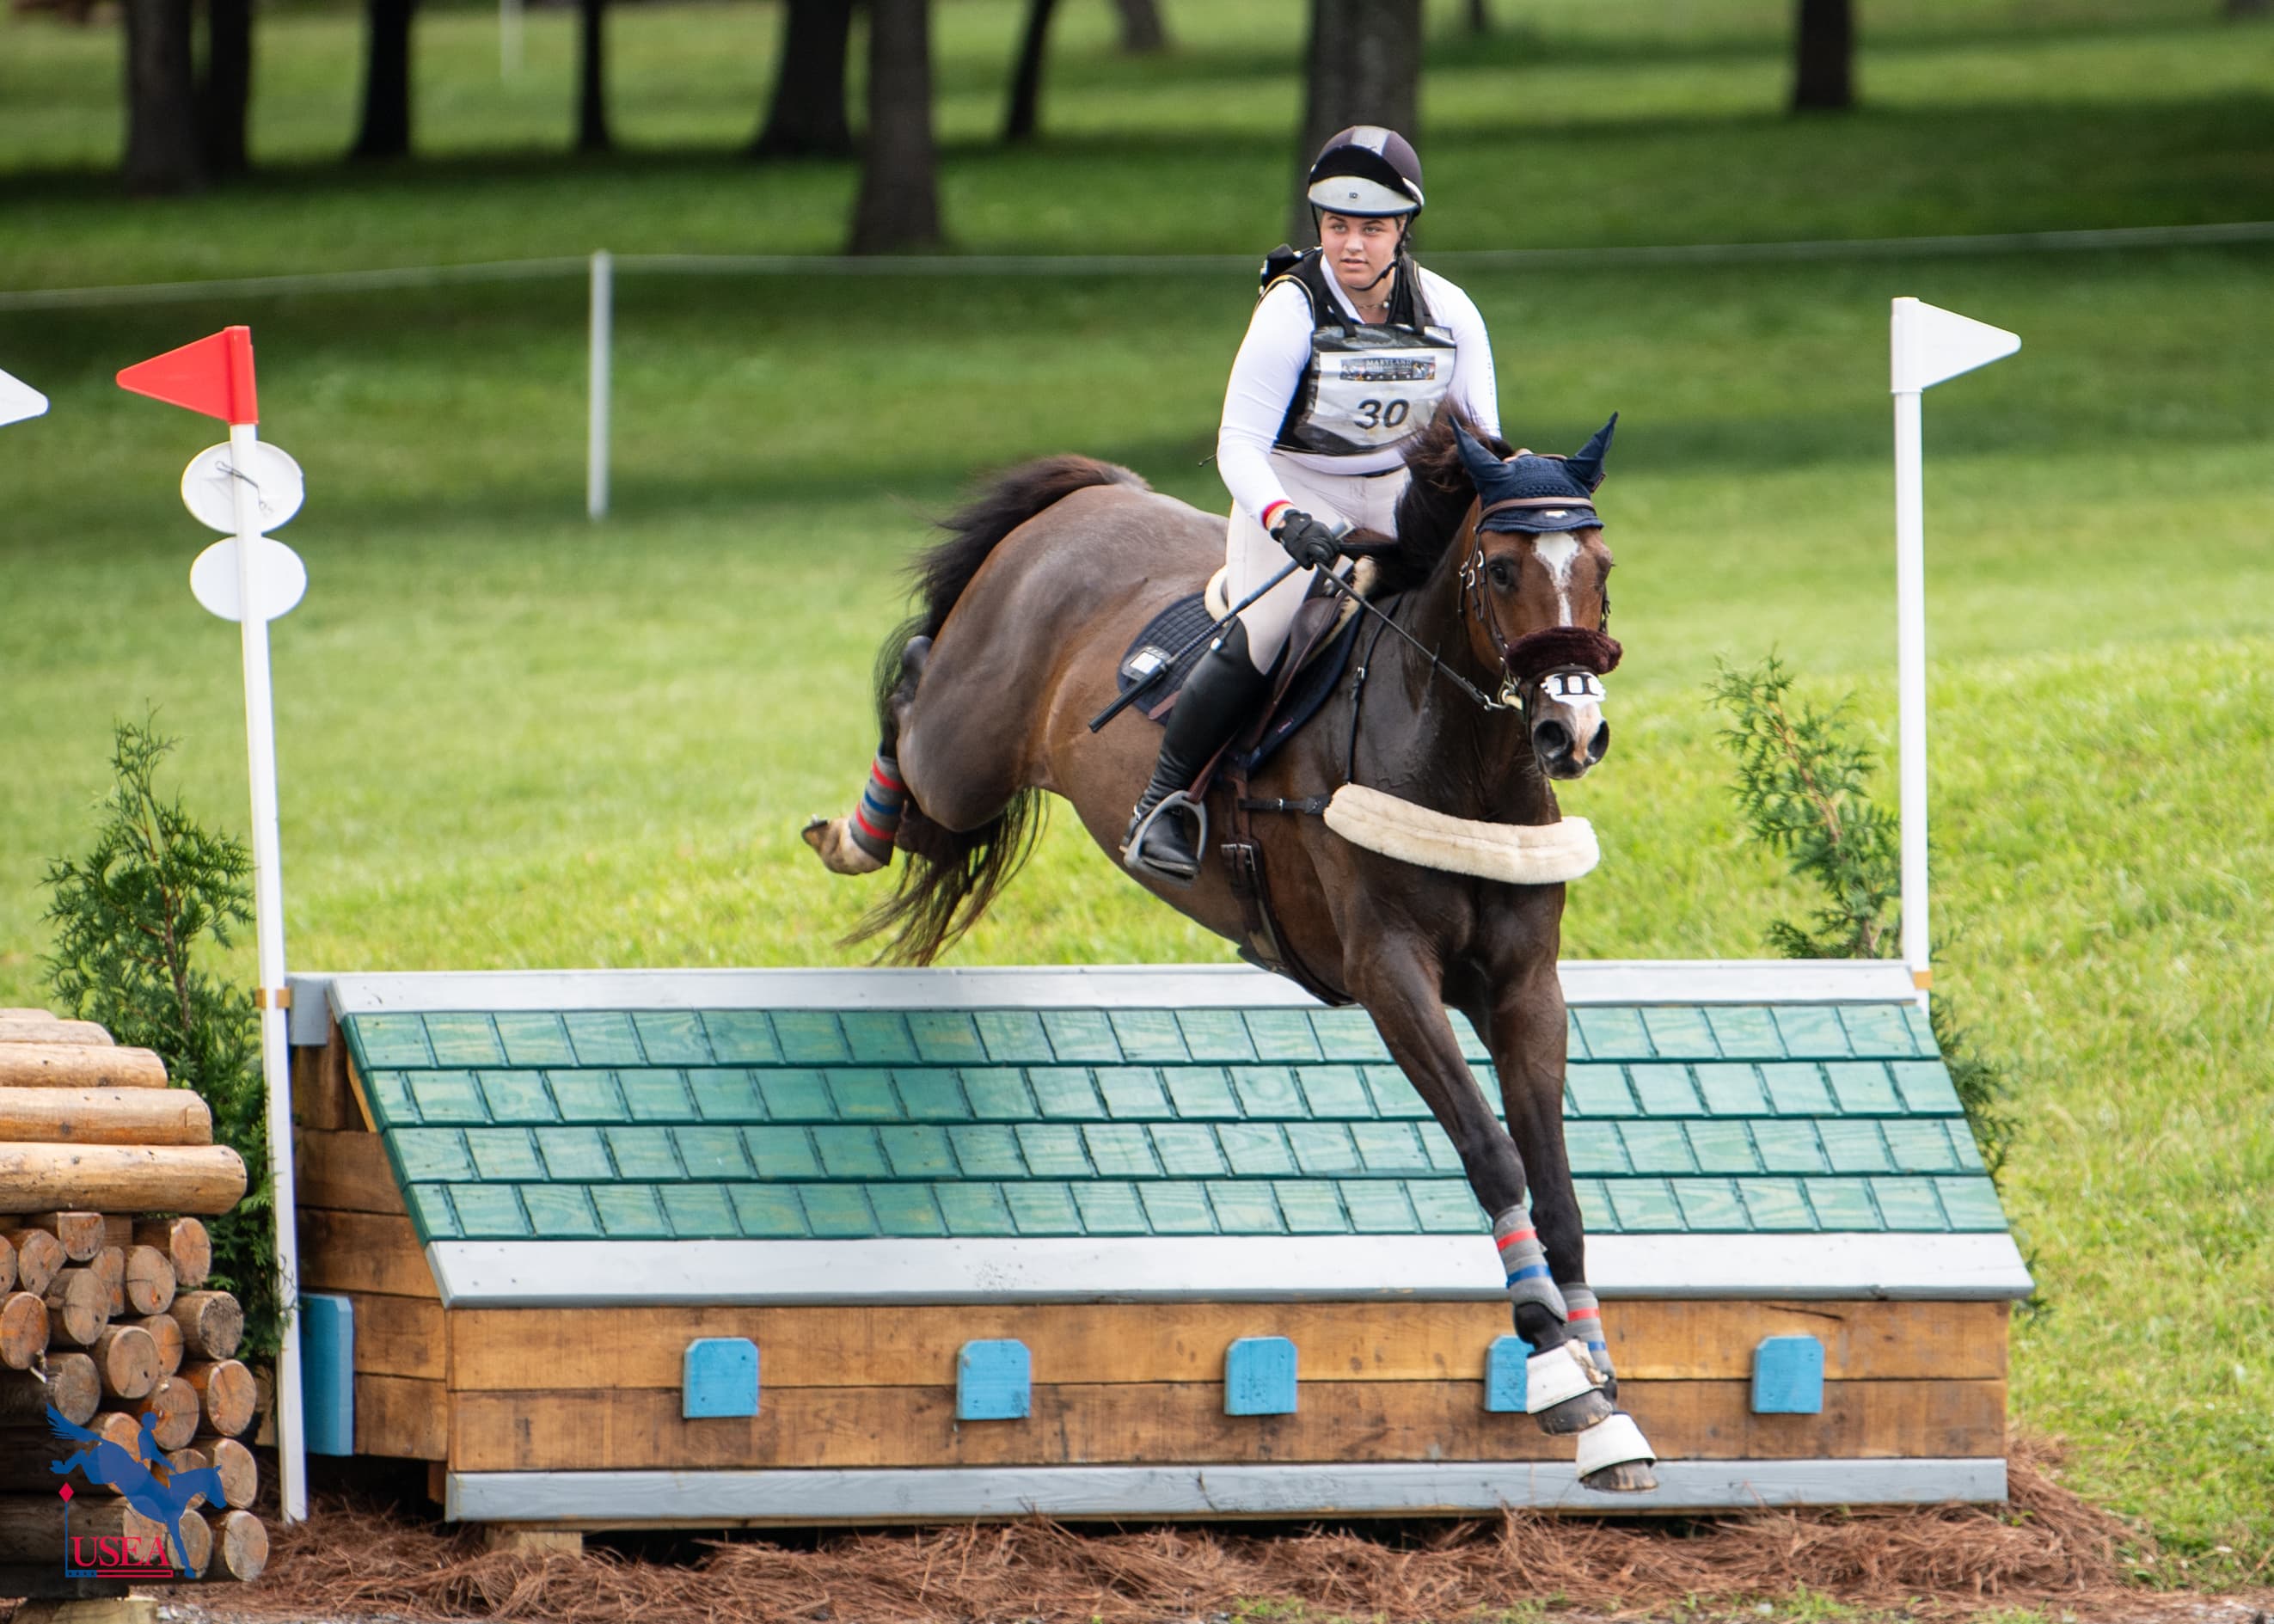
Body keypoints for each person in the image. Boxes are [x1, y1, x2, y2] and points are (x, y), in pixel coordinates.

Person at [1122, 126, 1504, 884]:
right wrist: (1282, 519)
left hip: (1400, 493)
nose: (1351, 245)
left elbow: (1480, 442)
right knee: (1266, 630)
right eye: (1336, 225)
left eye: (1371, 228)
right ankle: (1163, 802)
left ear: (1402, 229)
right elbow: (1238, 443)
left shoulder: (1451, 311)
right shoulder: (1290, 310)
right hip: (1297, 487)